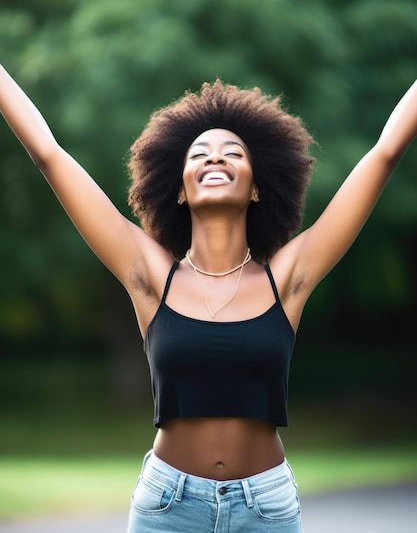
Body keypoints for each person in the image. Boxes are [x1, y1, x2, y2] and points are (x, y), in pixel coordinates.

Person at [1, 65, 416, 533]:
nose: (215, 160)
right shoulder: (151, 278)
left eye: (232, 153)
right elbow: (48, 153)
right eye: (199, 154)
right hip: (167, 508)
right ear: (179, 189)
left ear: (257, 186)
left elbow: (385, 153)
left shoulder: (288, 280)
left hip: (267, 508)